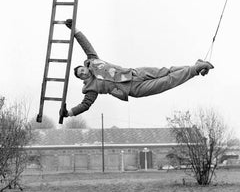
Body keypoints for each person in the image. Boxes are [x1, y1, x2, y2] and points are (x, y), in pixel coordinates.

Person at [60, 19, 214, 118]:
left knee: (167, 70)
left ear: (85, 68)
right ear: (81, 79)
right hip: (134, 88)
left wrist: (74, 29)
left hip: (134, 72)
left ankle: (195, 66)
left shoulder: (93, 61)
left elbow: (85, 44)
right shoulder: (91, 89)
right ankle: (196, 69)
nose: (83, 73)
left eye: (82, 70)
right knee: (167, 81)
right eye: (80, 75)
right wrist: (69, 113)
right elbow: (85, 105)